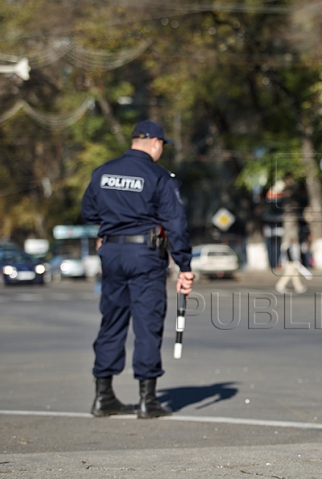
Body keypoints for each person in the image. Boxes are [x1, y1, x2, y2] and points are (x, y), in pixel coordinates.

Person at [82, 120, 195, 419]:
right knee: (148, 323)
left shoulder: (103, 172)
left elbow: (88, 211)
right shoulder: (158, 177)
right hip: (145, 255)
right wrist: (185, 265)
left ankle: (103, 396)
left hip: (112, 253)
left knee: (112, 321)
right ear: (156, 143)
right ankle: (148, 400)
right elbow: (176, 224)